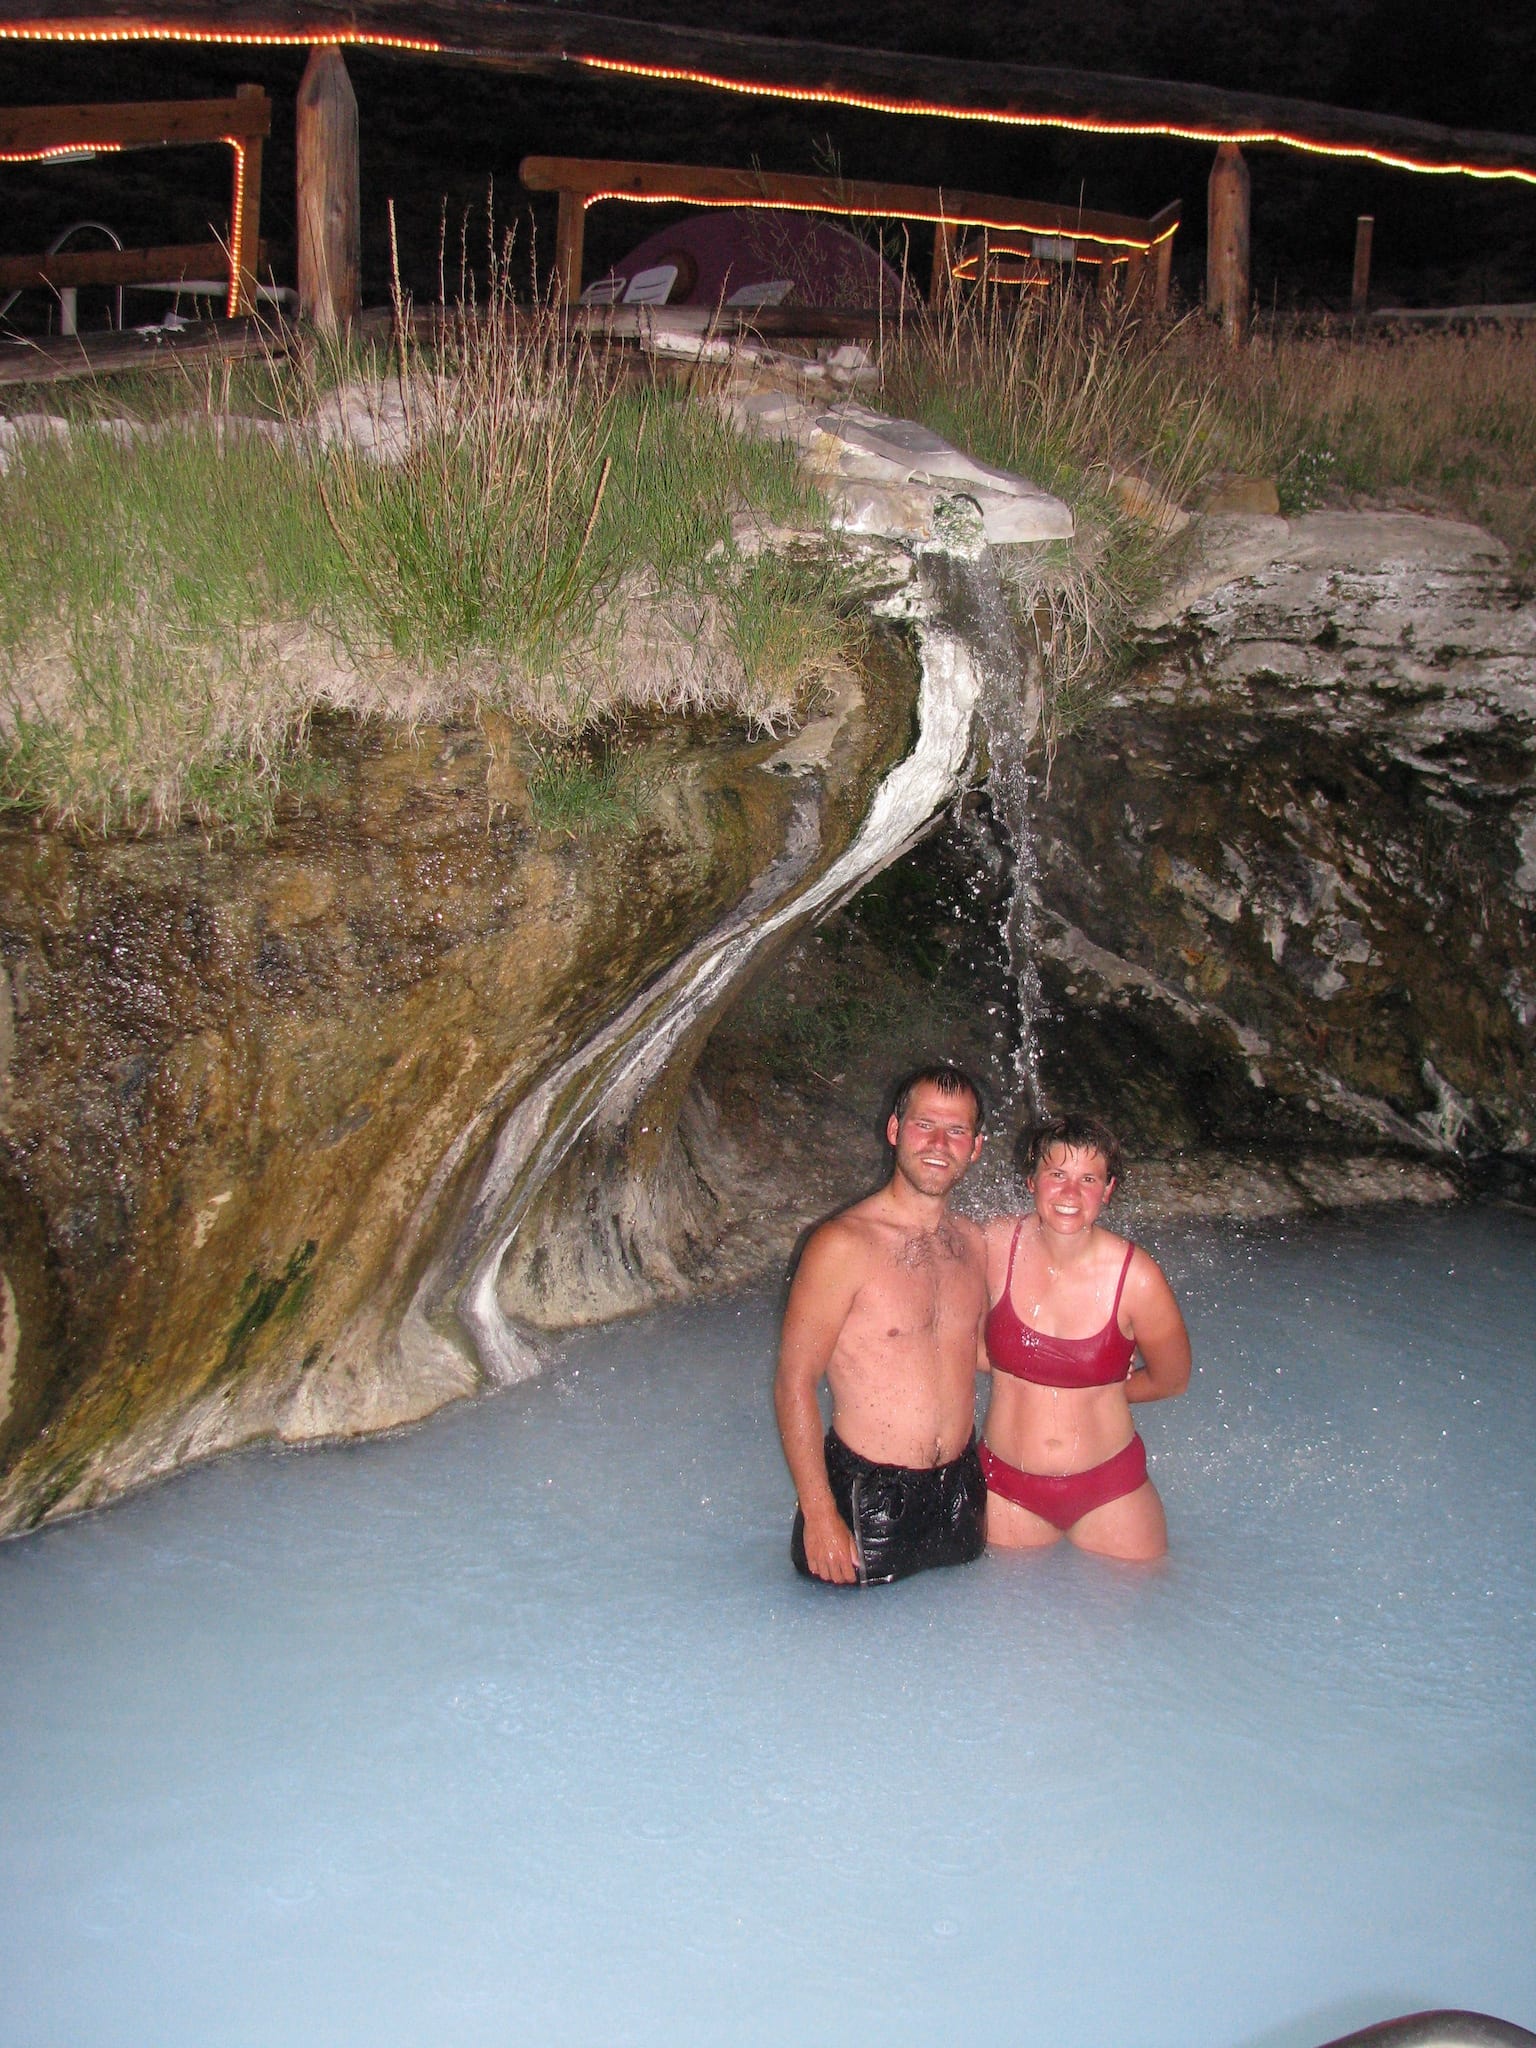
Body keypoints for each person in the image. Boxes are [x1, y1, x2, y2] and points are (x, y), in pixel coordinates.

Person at [774, 1065, 991, 1586]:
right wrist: (821, 1515)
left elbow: (980, 1356)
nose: (940, 1142)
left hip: (961, 1488)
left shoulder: (972, 1242)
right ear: (895, 1130)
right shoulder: (842, 1246)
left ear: (976, 1147)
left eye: (957, 1130)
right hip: (866, 1502)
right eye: (925, 1125)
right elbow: (794, 1382)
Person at [980, 1112, 1190, 1563]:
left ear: (1108, 1189)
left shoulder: (1136, 1277)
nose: (1070, 1193)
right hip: (1004, 1489)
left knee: (1137, 1624)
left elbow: (1173, 1379)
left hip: (1110, 1489)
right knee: (996, 1630)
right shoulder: (993, 1247)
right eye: (1056, 1174)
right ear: (1031, 1180)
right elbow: (936, 1323)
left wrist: (1106, 1386)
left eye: (1088, 1178)